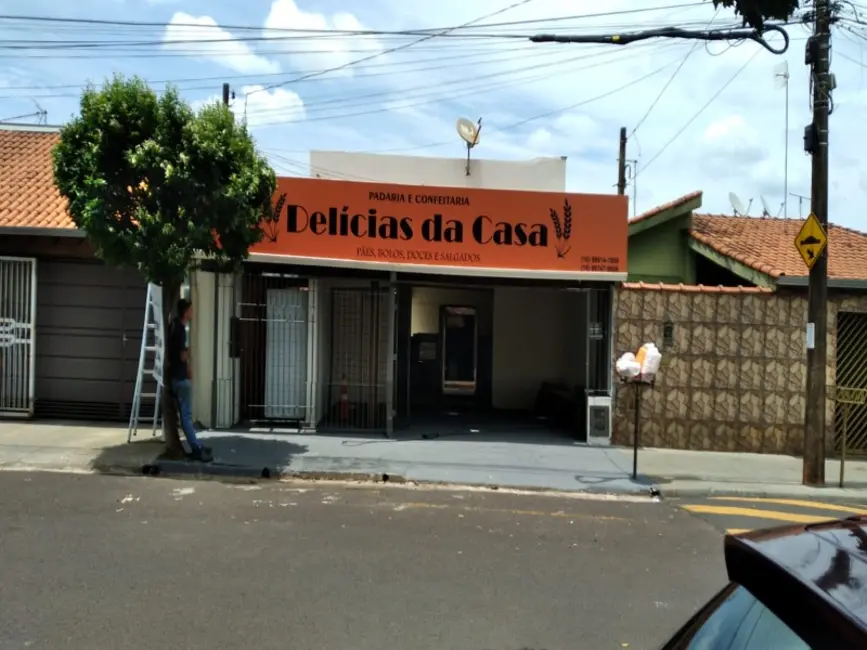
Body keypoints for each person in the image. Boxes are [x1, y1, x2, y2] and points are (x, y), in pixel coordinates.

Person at [167, 298, 212, 462]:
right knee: (186, 416)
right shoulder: (180, 329)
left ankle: (196, 445)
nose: (193, 312)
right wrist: (188, 364)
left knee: (185, 415)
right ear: (186, 312)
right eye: (191, 310)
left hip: (177, 376)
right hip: (180, 377)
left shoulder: (174, 326)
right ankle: (196, 448)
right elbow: (182, 355)